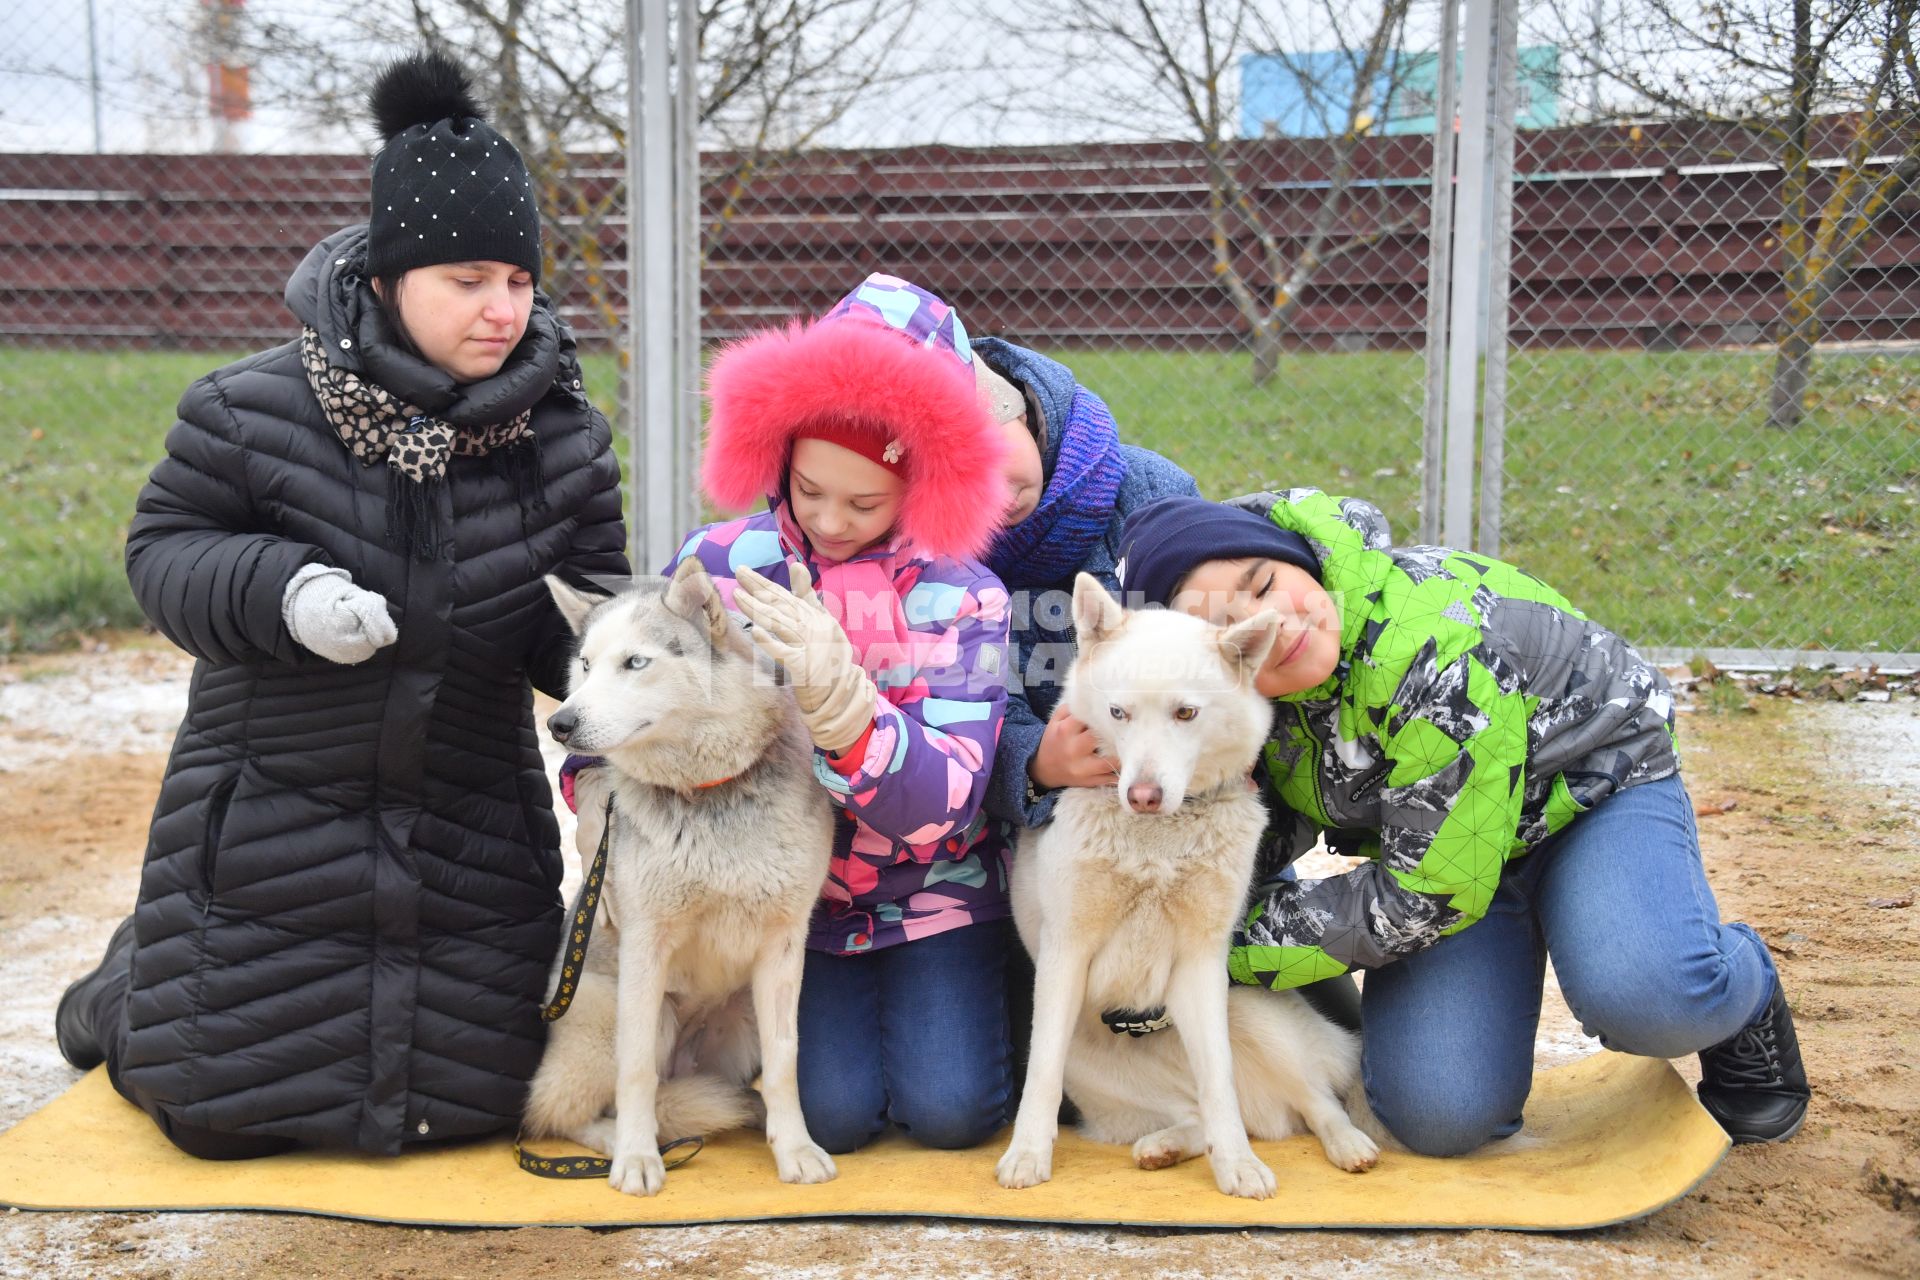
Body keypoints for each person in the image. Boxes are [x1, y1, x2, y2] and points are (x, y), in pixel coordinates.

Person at [51, 51, 629, 1159]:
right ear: (387, 277)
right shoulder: (245, 407)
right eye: (468, 281)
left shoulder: (561, 436)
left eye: (518, 280)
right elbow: (165, 552)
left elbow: (582, 619)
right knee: (209, 1111)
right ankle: (125, 985)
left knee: (485, 1107)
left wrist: (641, 670)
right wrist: (285, 590)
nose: (503, 309)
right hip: (272, 833)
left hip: (469, 837)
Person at [1114, 489, 1810, 1156]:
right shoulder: (1226, 699)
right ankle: (1538, 942)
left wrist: (1209, 948)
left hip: (1591, 797)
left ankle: (1738, 994)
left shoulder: (1432, 648)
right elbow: (1254, 832)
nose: (1276, 629)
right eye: (1227, 630)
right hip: (1446, 850)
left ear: (1297, 554)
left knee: (1649, 996)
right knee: (1436, 1114)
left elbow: (1426, 897)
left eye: (1265, 585)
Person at [592, 272, 1013, 1154]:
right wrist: (593, 787)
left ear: (922, 483)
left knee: (952, 1114)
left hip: (928, 894)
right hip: (786, 905)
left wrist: (848, 717)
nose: (827, 519)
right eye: (809, 487)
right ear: (779, 452)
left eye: (865, 503)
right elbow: (633, 684)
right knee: (839, 1118)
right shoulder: (720, 559)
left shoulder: (963, 595)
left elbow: (949, 805)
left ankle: (959, 1001)